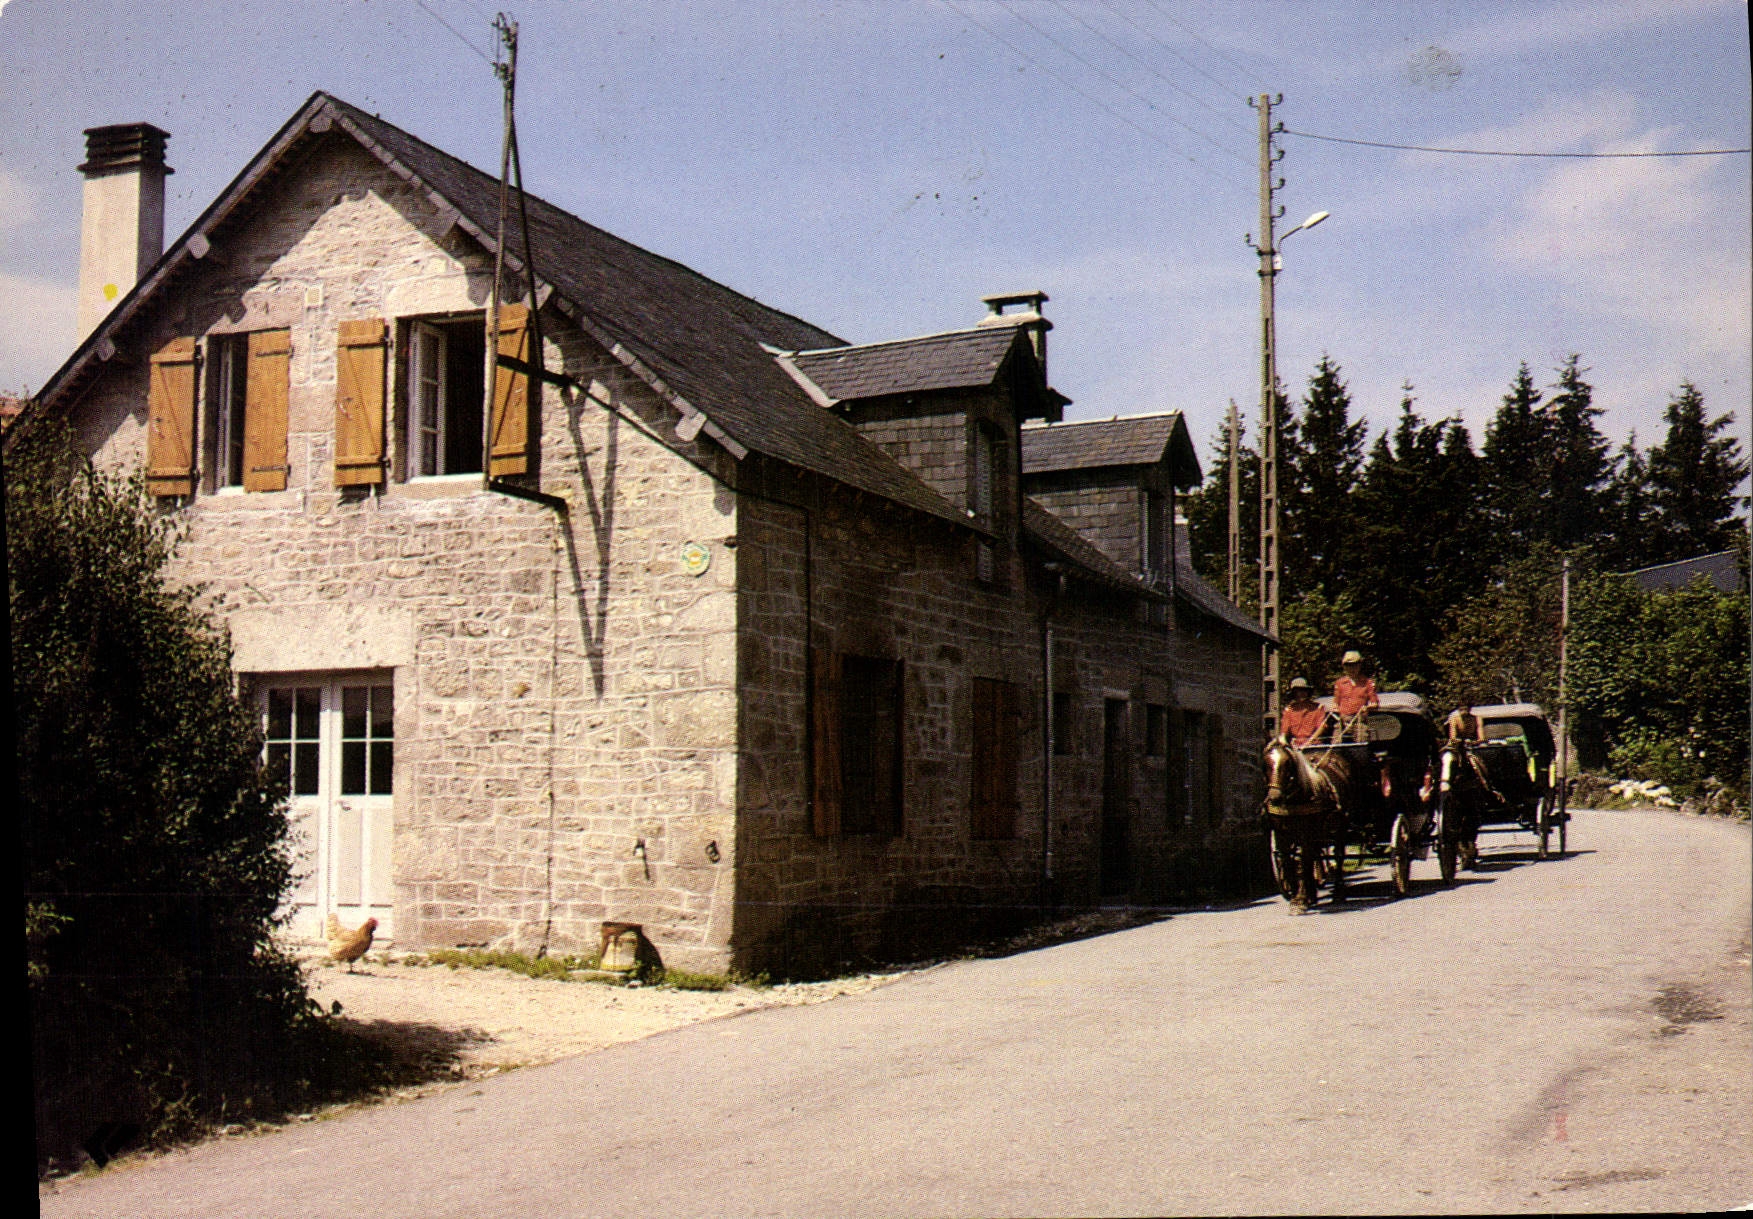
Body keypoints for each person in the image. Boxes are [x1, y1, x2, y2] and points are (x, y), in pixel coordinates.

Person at [1331, 650, 1378, 742]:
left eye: (1354, 665)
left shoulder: (1368, 683)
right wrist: (1335, 708)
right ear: (1344, 666)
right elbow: (1335, 703)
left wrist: (1367, 707)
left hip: (1359, 720)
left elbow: (1375, 703)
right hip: (1342, 721)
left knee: (1360, 747)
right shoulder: (1339, 683)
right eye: (1348, 665)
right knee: (1335, 745)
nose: (1351, 668)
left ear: (1360, 665)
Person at [1279, 677, 1326, 747]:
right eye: (1298, 691)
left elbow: (1322, 727)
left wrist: (1310, 741)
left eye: (1304, 690)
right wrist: (1283, 739)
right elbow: (1284, 730)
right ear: (1294, 693)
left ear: (1308, 692)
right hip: (1295, 746)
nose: (1302, 693)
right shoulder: (1289, 710)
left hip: (1314, 745)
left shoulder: (1318, 708)